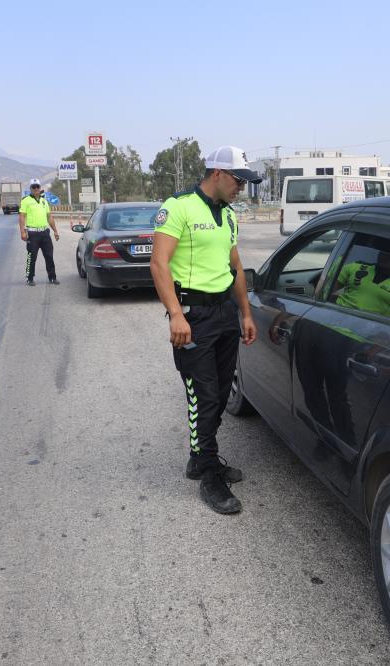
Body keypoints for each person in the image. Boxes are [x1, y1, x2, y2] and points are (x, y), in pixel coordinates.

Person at [149, 146, 261, 514]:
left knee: (220, 389)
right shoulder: (179, 206)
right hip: (193, 317)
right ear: (217, 173)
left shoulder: (228, 216)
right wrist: (176, 314)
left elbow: (237, 269)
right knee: (204, 395)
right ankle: (209, 472)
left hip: (225, 313)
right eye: (238, 180)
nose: (242, 188)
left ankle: (200, 458)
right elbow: (159, 263)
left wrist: (245, 313)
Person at [19, 179, 60, 285]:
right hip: (32, 234)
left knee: (49, 256)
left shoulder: (44, 201)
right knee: (31, 257)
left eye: (38, 187)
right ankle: (29, 278)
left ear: (40, 188)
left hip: (45, 233)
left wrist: (55, 231)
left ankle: (52, 277)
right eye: (34, 187)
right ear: (31, 189)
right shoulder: (25, 200)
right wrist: (23, 232)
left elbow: (49, 217)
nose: (36, 189)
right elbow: (22, 217)